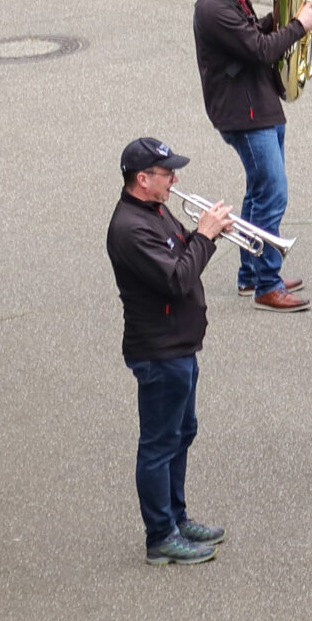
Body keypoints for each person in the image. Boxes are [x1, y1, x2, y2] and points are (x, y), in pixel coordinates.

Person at [105, 137, 234, 564]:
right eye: (166, 174)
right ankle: (160, 535)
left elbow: (181, 250)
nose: (175, 179)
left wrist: (202, 235)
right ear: (143, 180)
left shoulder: (155, 210)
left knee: (182, 432)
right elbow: (177, 278)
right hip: (158, 350)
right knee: (159, 443)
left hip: (179, 344)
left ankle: (176, 518)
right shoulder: (130, 228)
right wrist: (207, 236)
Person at [192, 0, 312, 311]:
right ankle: (267, 286)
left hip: (259, 106)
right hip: (244, 113)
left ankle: (251, 275)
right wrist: (299, 25)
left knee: (258, 192)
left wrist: (289, 19)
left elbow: (252, 36)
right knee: (272, 195)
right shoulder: (212, 9)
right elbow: (260, 49)